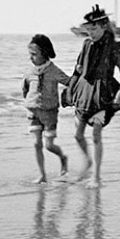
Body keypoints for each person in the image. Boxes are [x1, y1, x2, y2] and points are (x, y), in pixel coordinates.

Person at [63, 5, 120, 188]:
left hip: (103, 94)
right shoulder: (86, 44)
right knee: (77, 135)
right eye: (88, 29)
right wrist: (70, 89)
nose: (90, 33)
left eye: (94, 29)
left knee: (96, 135)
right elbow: (77, 70)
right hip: (84, 92)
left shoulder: (115, 47)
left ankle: (97, 176)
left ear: (103, 26)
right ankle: (87, 161)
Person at [22, 34, 70, 183]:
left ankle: (63, 158)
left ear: (44, 53)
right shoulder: (30, 71)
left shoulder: (54, 70)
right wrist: (31, 101)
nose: (31, 58)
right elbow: (25, 88)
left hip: (49, 113)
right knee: (36, 144)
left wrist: (68, 95)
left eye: (34, 55)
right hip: (33, 111)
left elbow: (70, 82)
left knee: (49, 146)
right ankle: (42, 175)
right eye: (30, 54)